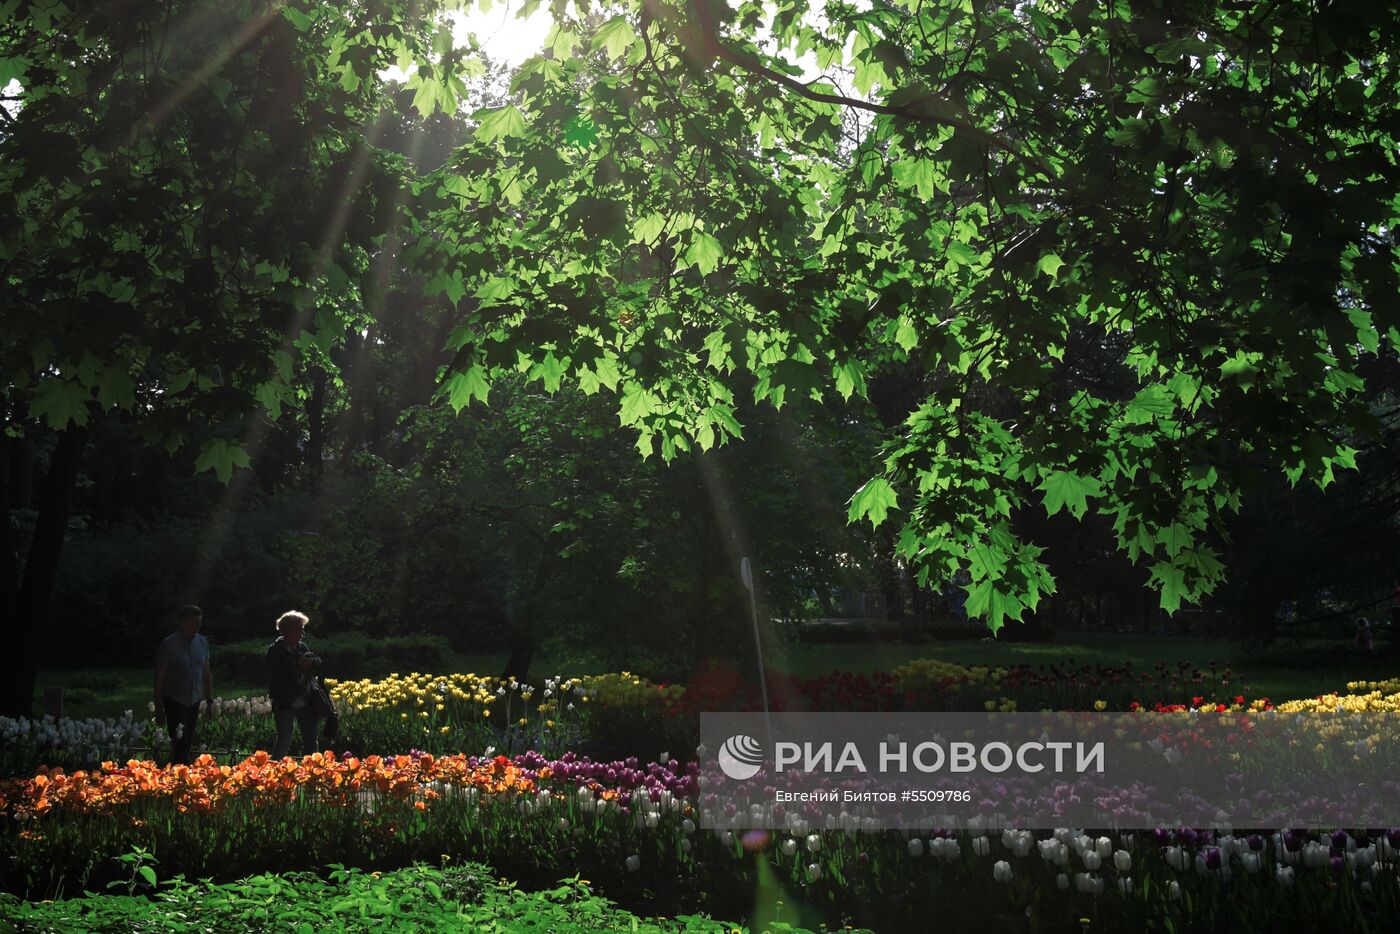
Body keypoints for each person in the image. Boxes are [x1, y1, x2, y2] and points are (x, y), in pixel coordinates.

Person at [153, 604, 212, 766]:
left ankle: (179, 775)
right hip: (174, 699)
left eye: (200, 622)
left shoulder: (202, 642)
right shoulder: (169, 644)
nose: (198, 626)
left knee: (187, 741)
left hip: (194, 699)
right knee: (180, 743)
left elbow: (206, 673)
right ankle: (182, 774)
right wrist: (159, 707)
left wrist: (209, 700)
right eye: (195, 622)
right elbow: (159, 678)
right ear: (183, 622)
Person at [267, 610, 323, 758]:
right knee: (285, 739)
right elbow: (278, 677)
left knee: (311, 738)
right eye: (299, 629)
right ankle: (273, 773)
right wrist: (299, 667)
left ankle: (313, 772)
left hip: (305, 700)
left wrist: (314, 665)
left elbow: (311, 674)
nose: (302, 633)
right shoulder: (275, 650)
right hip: (284, 700)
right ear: (287, 629)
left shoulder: (302, 647)